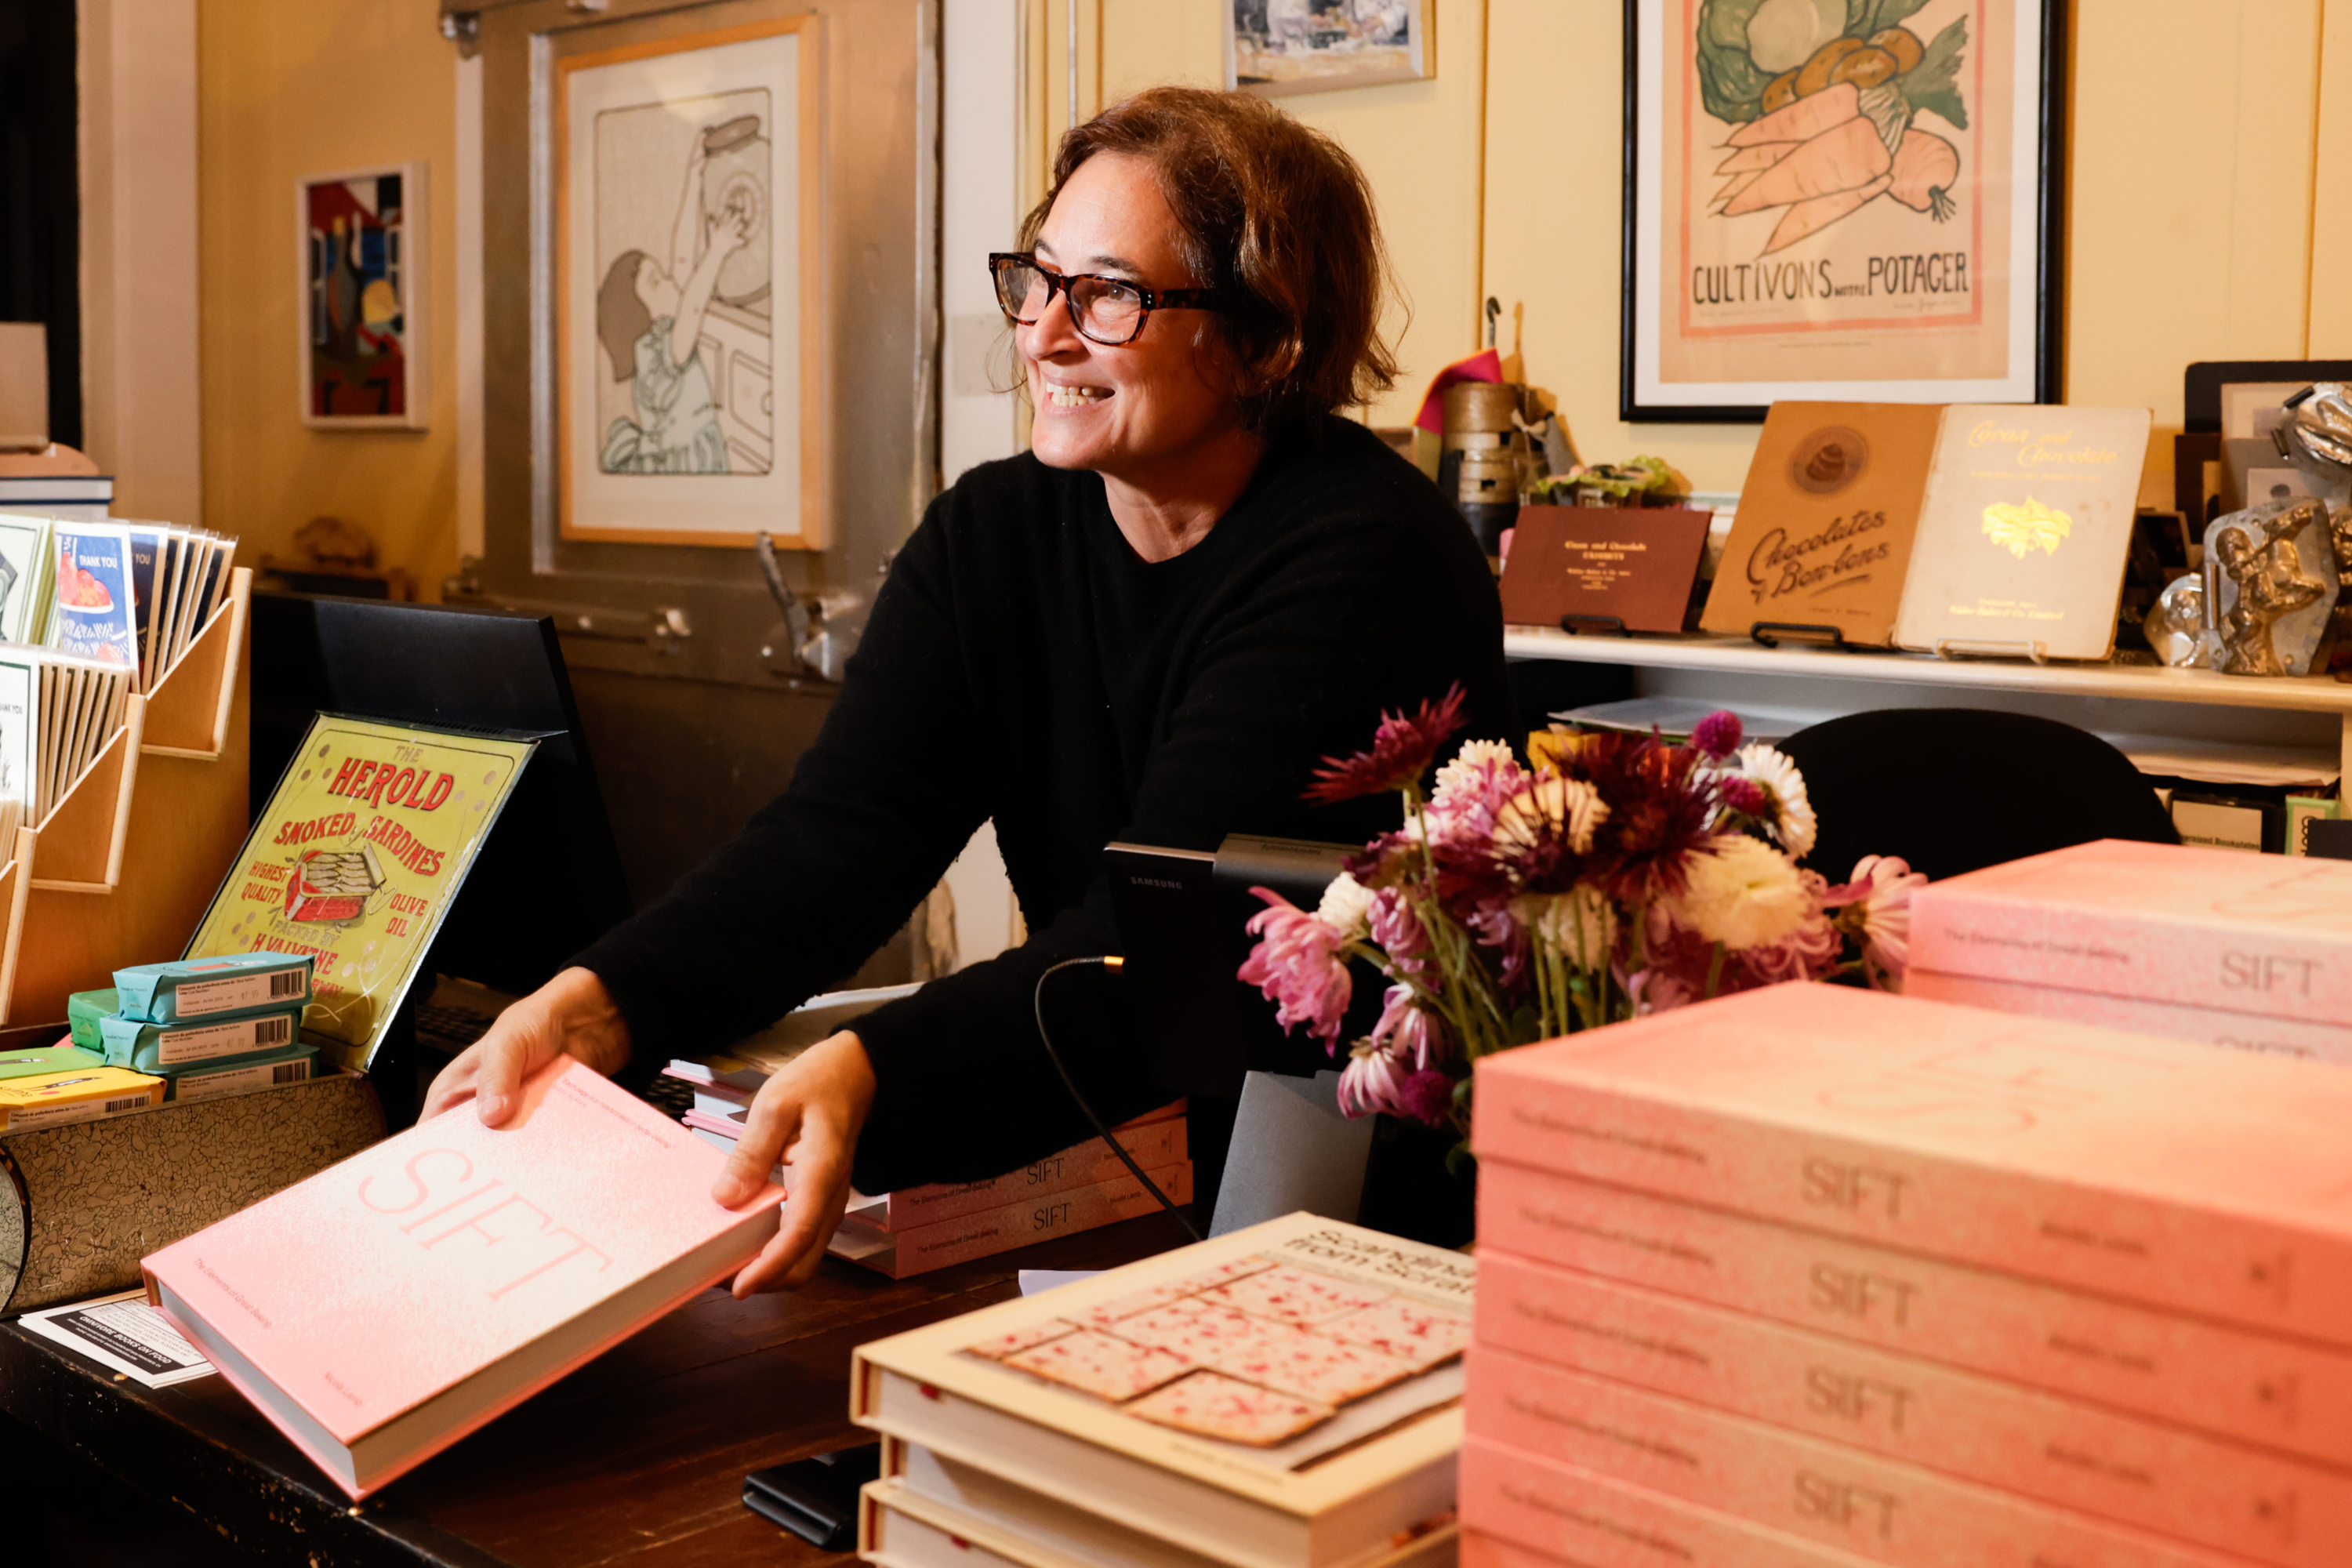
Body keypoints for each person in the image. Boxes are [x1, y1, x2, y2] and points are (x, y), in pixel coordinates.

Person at [422, 86, 1513, 1294]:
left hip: (1368, 1209)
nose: (1044, 334)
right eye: (1038, 280)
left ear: (1263, 338)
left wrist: (872, 1069)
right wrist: (596, 1006)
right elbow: (839, 841)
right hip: (1122, 1160)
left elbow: (1160, 943)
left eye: (1108, 295)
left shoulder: (1368, 560)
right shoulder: (996, 534)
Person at [595, 169, 754, 475]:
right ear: (638, 316)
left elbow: (682, 257)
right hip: (691, 461)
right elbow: (693, 308)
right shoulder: (654, 355)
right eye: (657, 282)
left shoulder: (661, 331)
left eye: (662, 274)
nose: (670, 280)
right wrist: (718, 248)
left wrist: (695, 176)